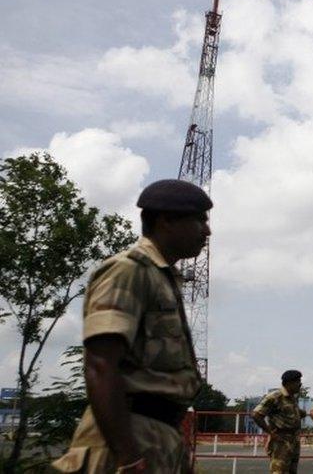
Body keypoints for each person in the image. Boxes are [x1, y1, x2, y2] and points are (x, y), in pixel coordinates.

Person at [52, 179, 212, 473]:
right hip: (125, 438)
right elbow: (100, 365)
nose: (207, 231)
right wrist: (128, 457)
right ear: (166, 221)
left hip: (159, 437)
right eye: (199, 220)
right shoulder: (128, 270)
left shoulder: (163, 278)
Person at [251, 370, 307, 473]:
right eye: (298, 381)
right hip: (281, 440)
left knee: (291, 471)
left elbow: (291, 413)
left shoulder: (292, 398)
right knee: (279, 470)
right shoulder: (275, 396)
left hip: (293, 440)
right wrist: (270, 433)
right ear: (289, 383)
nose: (300, 384)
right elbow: (256, 414)